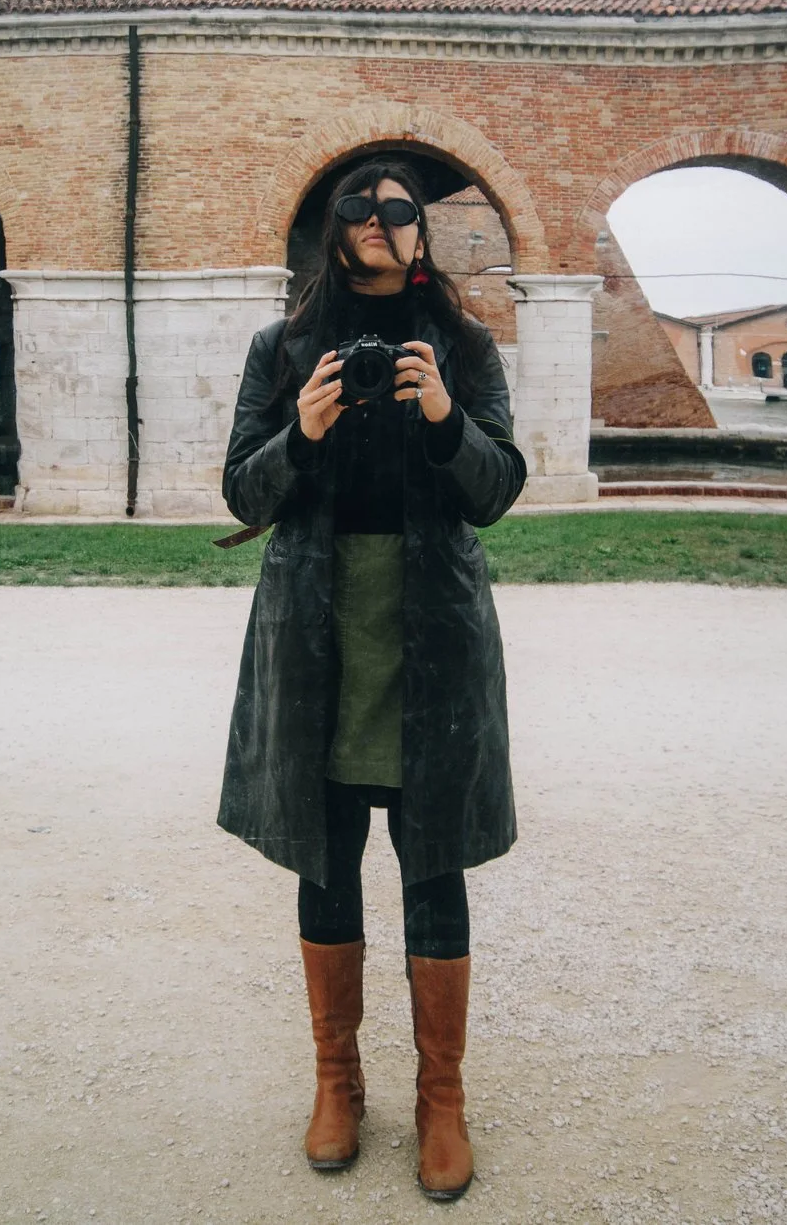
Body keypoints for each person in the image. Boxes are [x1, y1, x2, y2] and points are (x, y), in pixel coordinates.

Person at [217, 160, 527, 1201]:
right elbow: (240, 490)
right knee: (328, 849)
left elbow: (496, 491)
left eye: (400, 209)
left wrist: (445, 416)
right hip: (319, 625)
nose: (380, 222)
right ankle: (336, 1081)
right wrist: (300, 431)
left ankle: (442, 1098)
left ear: (420, 232)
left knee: (433, 860)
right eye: (360, 206)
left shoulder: (465, 345)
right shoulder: (282, 346)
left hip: (431, 623)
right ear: (334, 225)